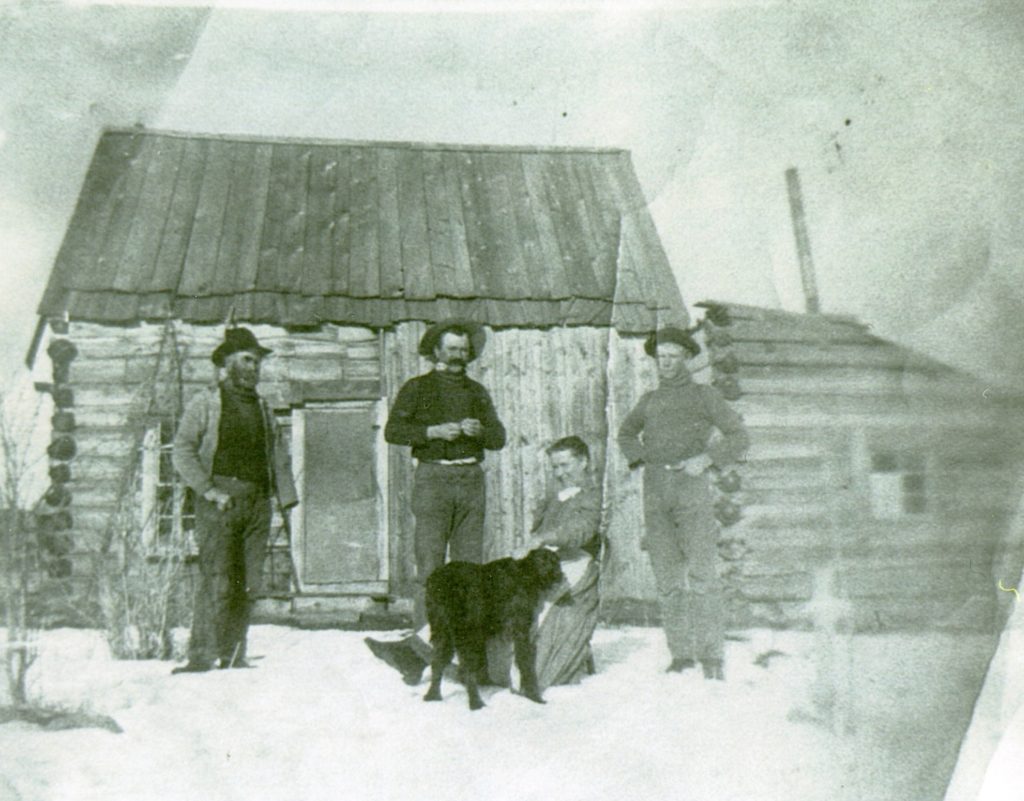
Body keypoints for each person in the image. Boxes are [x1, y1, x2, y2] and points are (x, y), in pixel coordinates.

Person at [365, 320, 506, 681]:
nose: (460, 355)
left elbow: (499, 438)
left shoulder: (477, 391)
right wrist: (431, 432)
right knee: (430, 570)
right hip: (433, 478)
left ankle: (468, 662)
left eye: (464, 349)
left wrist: (481, 431)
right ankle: (422, 654)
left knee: (470, 573)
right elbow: (393, 431)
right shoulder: (418, 388)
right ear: (437, 351)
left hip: (471, 479)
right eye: (453, 349)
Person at [617, 326, 749, 680]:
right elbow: (626, 433)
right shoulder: (649, 400)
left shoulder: (704, 396)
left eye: (673, 356)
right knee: (668, 580)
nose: (667, 363)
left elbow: (739, 436)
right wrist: (641, 458)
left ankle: (711, 656)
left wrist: (705, 460)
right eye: (661, 357)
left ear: (687, 357)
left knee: (703, 575)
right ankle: (681, 654)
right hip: (656, 492)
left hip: (692, 490)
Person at [171, 327, 297, 674]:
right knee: (218, 578)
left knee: (247, 582)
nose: (253, 367)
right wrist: (209, 491)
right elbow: (182, 451)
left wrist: (284, 499)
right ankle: (200, 656)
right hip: (219, 501)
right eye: (246, 360)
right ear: (227, 363)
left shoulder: (262, 406)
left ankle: (233, 654)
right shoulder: (206, 402)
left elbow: (276, 453)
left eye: (256, 362)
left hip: (256, 504)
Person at [513, 435, 603, 690]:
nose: (560, 473)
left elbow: (582, 531)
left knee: (535, 673)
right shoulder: (556, 497)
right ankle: (421, 650)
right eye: (555, 467)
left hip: (576, 564)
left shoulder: (593, 495)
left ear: (583, 462)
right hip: (544, 562)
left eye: (565, 465)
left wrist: (543, 538)